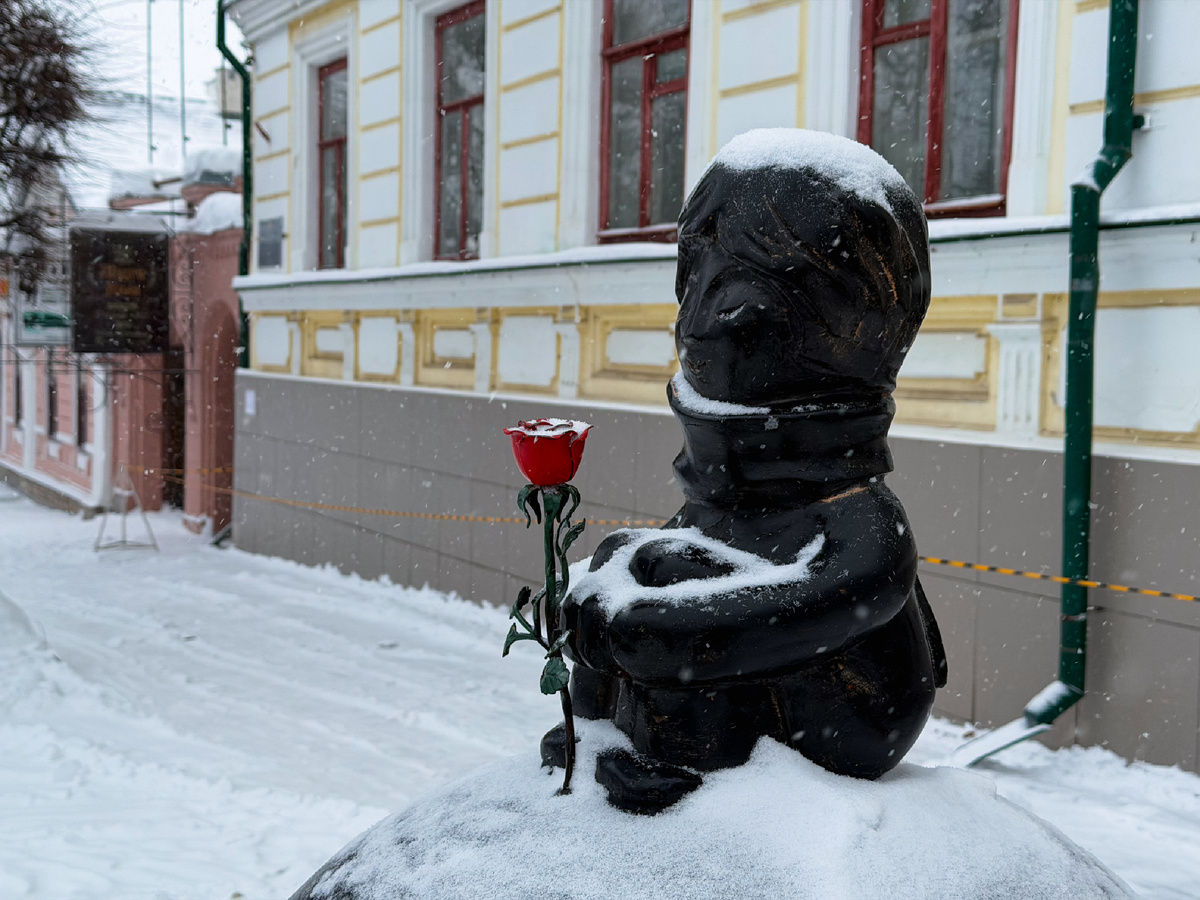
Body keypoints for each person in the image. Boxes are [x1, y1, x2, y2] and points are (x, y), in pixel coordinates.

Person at [558, 129, 947, 814]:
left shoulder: (859, 515)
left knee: (681, 586)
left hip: (847, 722)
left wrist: (671, 634)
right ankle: (594, 735)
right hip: (780, 691)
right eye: (700, 276)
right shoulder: (729, 486)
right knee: (628, 557)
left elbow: (815, 607)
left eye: (749, 285)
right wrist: (608, 601)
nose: (703, 317)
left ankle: (679, 763)